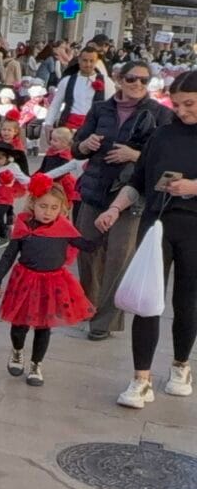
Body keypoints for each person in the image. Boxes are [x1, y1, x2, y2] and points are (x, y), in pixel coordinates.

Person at [98, 69, 197, 407]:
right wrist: (114, 209)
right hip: (156, 223)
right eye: (178, 104)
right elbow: (137, 181)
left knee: (187, 301)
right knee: (147, 298)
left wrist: (193, 187)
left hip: (194, 227)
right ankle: (141, 378)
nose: (182, 111)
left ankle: (181, 364)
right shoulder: (162, 136)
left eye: (190, 104)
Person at [71, 60, 171, 341]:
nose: (137, 84)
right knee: (87, 250)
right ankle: (88, 304)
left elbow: (164, 159)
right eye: (131, 79)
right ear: (118, 79)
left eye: (143, 79)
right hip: (94, 189)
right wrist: (84, 145)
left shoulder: (160, 114)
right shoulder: (101, 109)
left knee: (118, 256)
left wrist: (134, 155)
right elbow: (75, 148)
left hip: (131, 195)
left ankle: (105, 320)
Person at [0, 175, 96, 387]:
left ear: (62, 209)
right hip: (24, 281)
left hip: (52, 284)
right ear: (32, 205)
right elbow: (8, 256)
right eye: (43, 206)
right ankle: (18, 351)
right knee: (19, 324)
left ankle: (36, 364)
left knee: (43, 326)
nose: (48, 212)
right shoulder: (23, 228)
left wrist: (105, 229)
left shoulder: (65, 229)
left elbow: (88, 246)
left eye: (54, 208)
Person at [46, 45, 115, 137]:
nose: (88, 64)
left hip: (94, 128)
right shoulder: (67, 81)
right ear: (79, 60)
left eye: (92, 61)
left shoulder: (107, 82)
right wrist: (48, 123)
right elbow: (56, 104)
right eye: (85, 60)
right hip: (68, 127)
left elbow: (112, 107)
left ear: (96, 62)